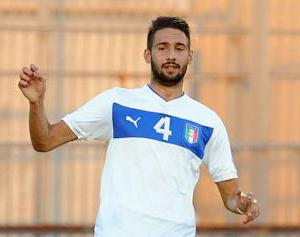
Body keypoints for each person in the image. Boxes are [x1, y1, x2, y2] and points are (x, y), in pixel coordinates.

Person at [18, 16, 260, 237]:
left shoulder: (207, 121)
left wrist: (243, 204)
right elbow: (45, 140)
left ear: (190, 56)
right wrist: (36, 102)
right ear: (147, 54)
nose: (171, 56)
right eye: (162, 47)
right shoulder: (116, 103)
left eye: (179, 48)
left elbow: (231, 197)